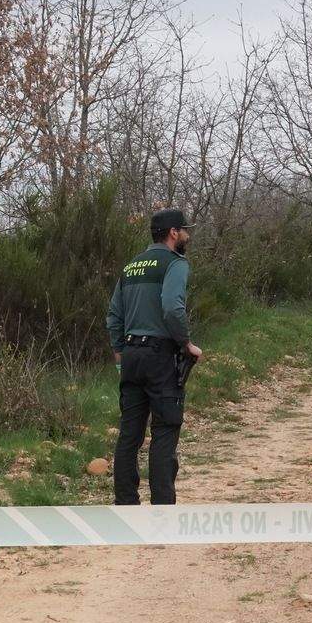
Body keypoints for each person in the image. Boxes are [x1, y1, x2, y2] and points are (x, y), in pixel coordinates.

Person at [106, 208, 205, 505]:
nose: (187, 235)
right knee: (164, 430)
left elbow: (114, 316)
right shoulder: (175, 263)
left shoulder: (131, 266)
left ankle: (126, 505)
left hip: (131, 355)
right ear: (173, 233)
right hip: (160, 356)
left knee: (129, 434)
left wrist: (121, 353)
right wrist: (186, 343)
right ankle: (162, 510)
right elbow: (172, 307)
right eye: (184, 230)